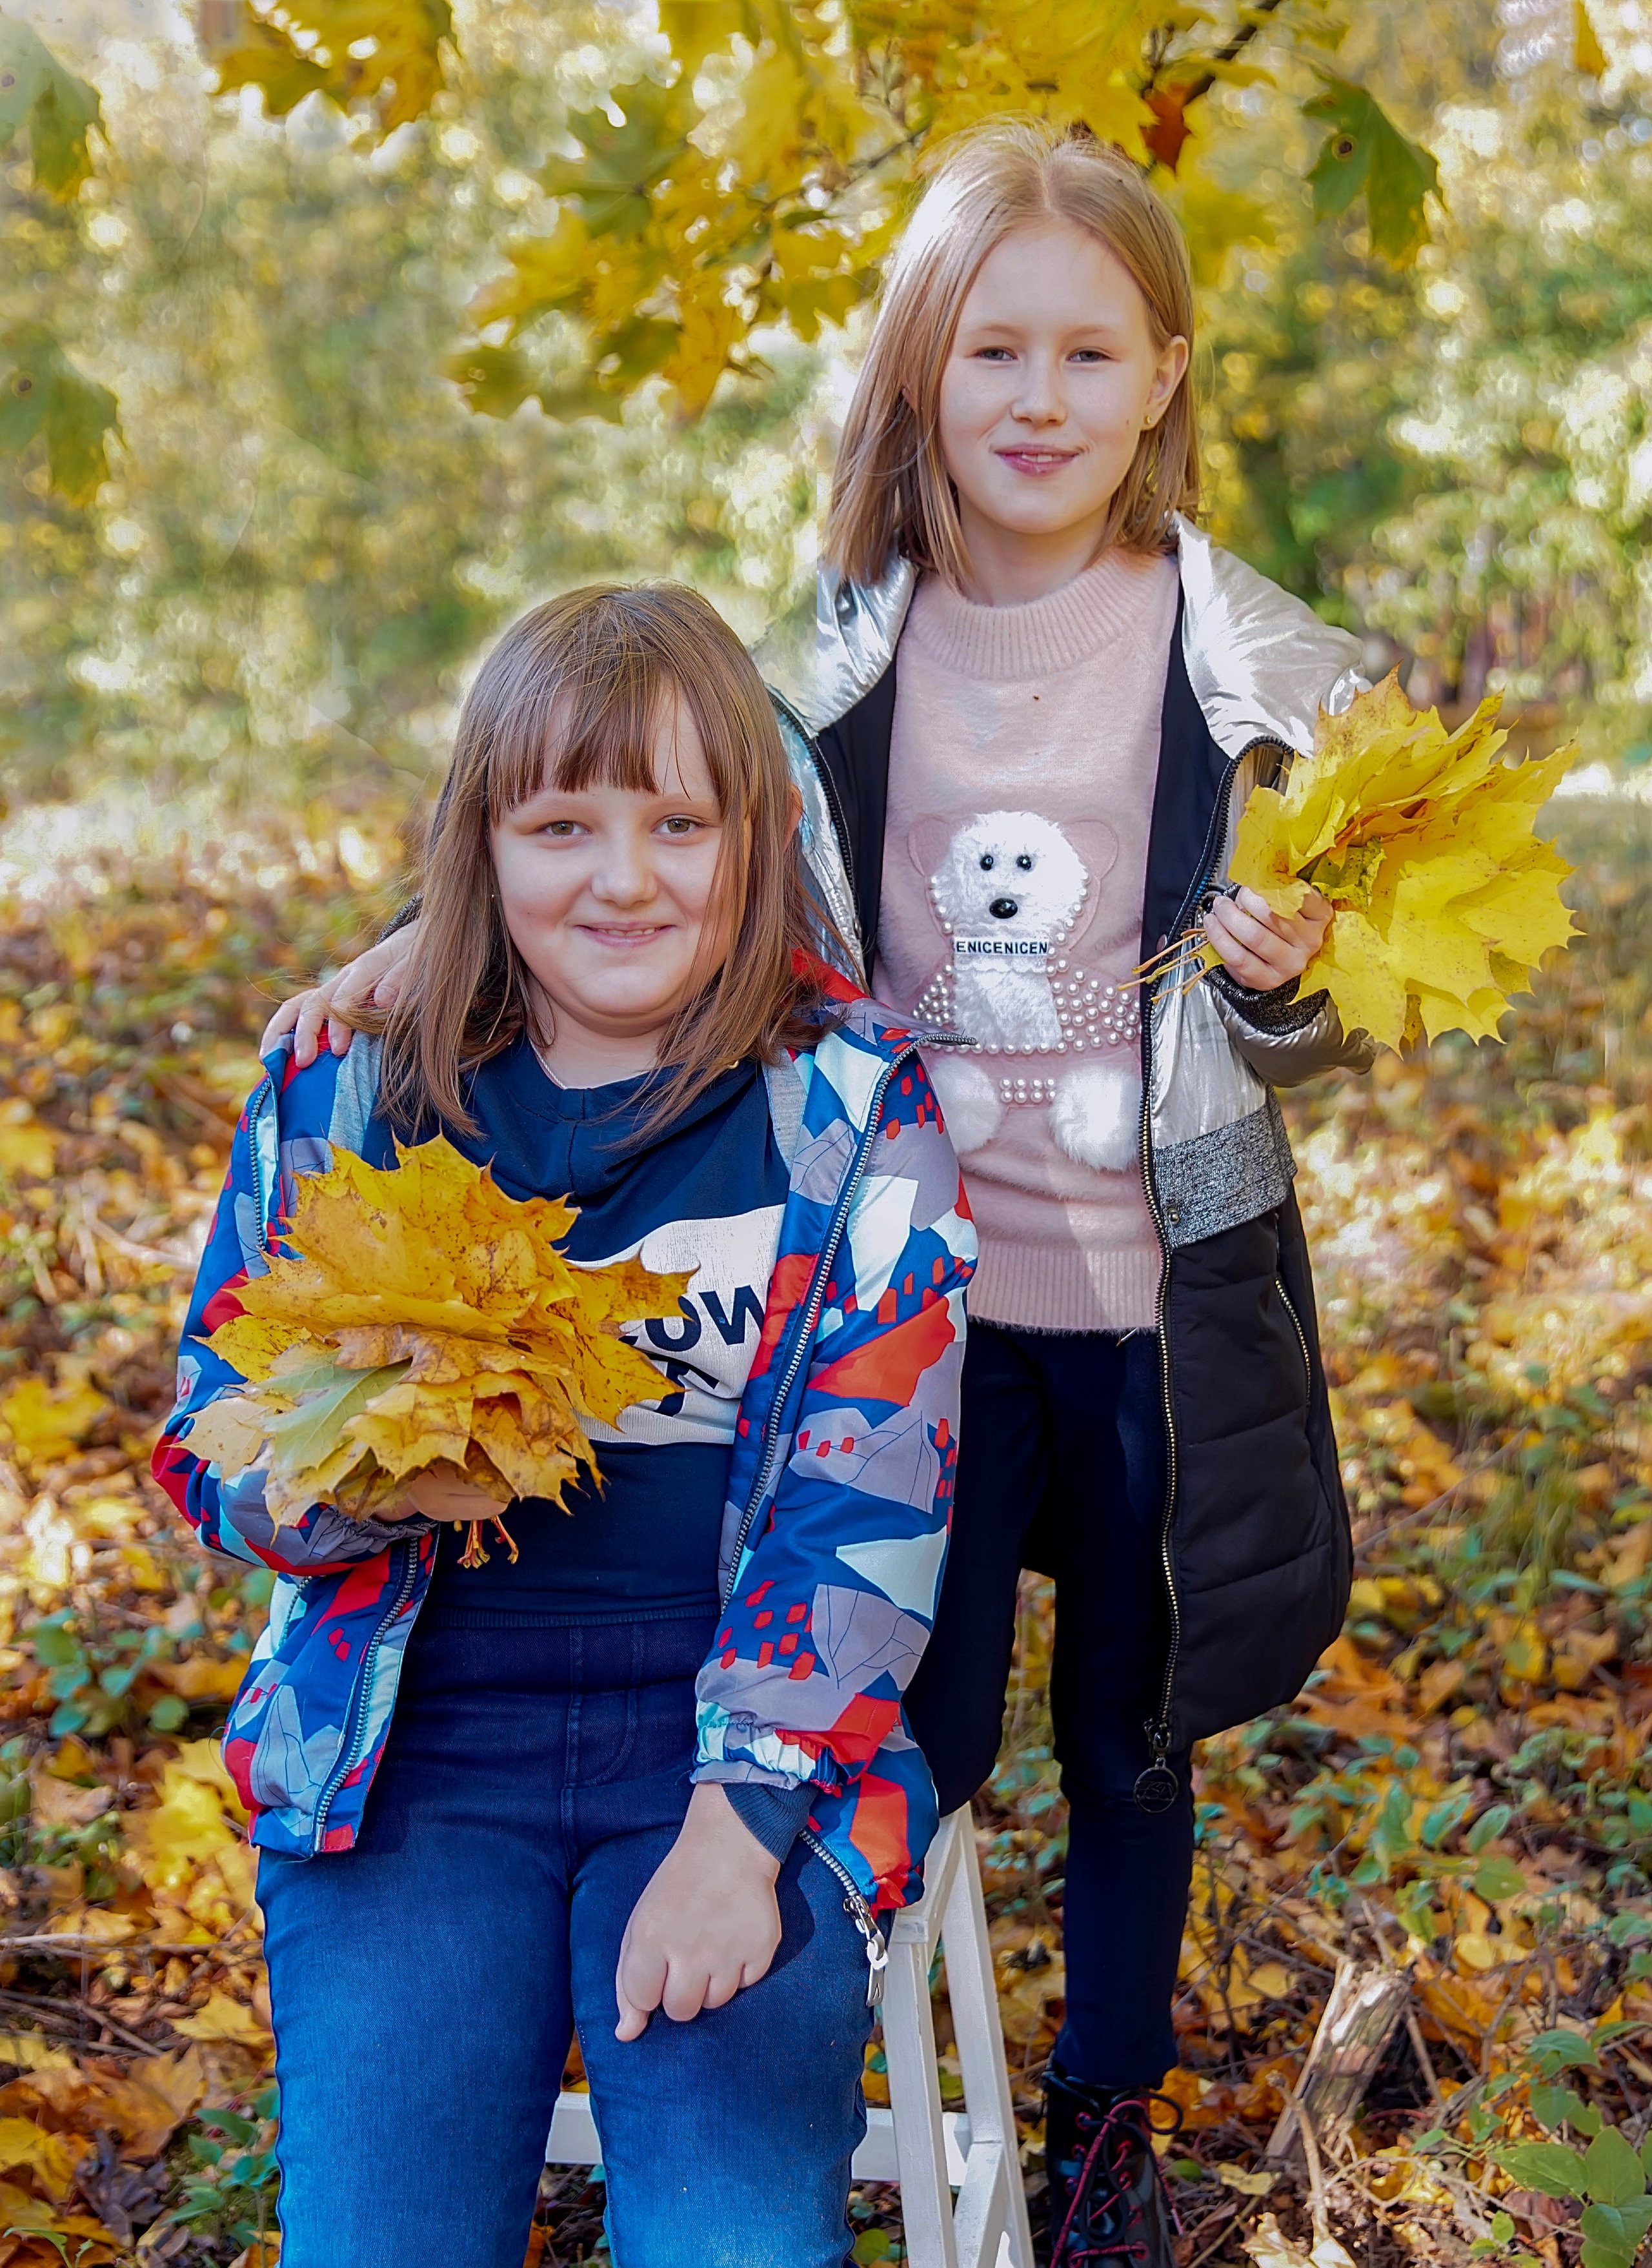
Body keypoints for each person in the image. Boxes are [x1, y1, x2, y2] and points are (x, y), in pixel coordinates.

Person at [265, 124, 1373, 2266]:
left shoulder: (1262, 679)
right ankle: (822, 2033)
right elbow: (648, 838)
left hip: (1161, 1291)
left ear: (1163, 374)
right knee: (915, 1711)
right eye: (992, 352)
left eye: (1088, 353)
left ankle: (1109, 2112)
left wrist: (1292, 987)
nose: (1037, 399)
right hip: (905, 1295)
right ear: (919, 373)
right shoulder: (834, 661)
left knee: (1131, 1730)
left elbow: (1351, 999)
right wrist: (415, 952)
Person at [154, 583, 974, 2268]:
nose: (624, 879)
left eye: (680, 823)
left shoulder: (849, 1104)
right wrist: (356, 1488)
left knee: (732, 2246)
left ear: (757, 837)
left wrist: (736, 1836)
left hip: (734, 1747)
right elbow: (212, 1439)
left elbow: (873, 1504)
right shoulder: (347, 1088)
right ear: (481, 842)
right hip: (414, 1755)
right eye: (561, 827)